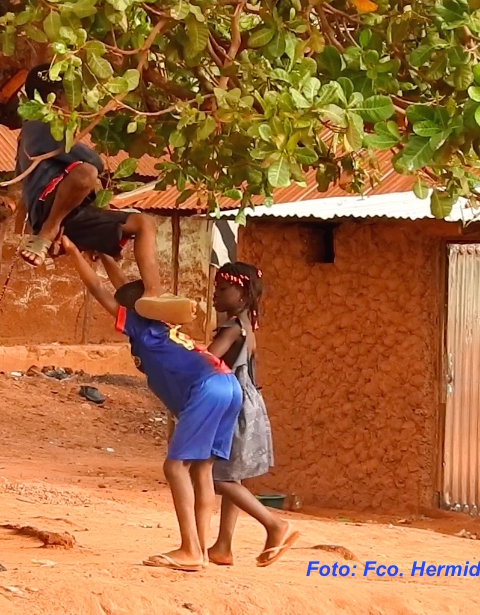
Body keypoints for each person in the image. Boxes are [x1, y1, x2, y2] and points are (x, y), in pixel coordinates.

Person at [62, 237, 241, 571]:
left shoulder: (141, 328)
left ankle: (189, 549)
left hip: (205, 388)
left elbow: (100, 290)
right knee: (201, 470)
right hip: (227, 383)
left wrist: (74, 252)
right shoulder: (160, 323)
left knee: (175, 467)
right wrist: (103, 255)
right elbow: (122, 287)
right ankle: (199, 549)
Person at [15, 65, 195, 326]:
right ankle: (47, 233)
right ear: (55, 97)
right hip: (49, 208)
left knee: (144, 222)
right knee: (86, 173)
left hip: (75, 211)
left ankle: (153, 292)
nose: (74, 102)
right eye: (70, 95)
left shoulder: (53, 128)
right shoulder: (38, 125)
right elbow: (92, 162)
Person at [207, 263, 299, 567]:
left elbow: (208, 361)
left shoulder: (233, 328)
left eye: (222, 290)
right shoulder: (248, 326)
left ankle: (274, 525)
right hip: (249, 404)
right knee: (235, 475)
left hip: (233, 407)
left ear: (242, 292)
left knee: (218, 477)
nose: (214, 296)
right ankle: (223, 546)